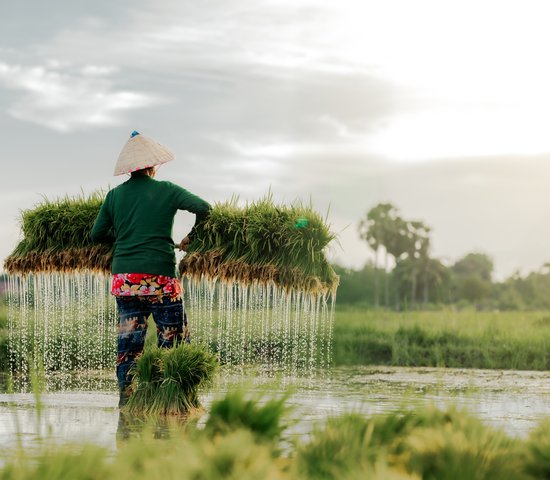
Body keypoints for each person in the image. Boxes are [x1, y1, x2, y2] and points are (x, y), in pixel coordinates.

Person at [91, 130, 211, 407]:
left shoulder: (114, 197)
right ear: (152, 166)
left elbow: (97, 235)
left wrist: (124, 238)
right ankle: (171, 401)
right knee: (173, 341)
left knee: (129, 346)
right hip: (160, 278)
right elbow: (204, 208)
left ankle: (127, 404)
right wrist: (191, 237)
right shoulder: (166, 190)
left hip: (125, 280)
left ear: (129, 169)